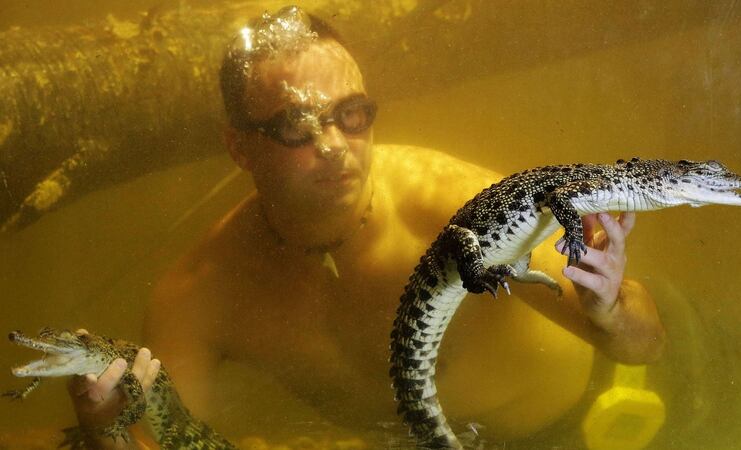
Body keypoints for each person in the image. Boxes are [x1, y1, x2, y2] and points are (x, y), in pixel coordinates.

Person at [68, 6, 665, 448]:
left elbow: (646, 345)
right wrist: (105, 433)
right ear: (240, 147)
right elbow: (153, 443)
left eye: (351, 115)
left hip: (608, 411)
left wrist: (611, 309)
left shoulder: (450, 207)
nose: (334, 146)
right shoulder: (204, 291)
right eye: (298, 126)